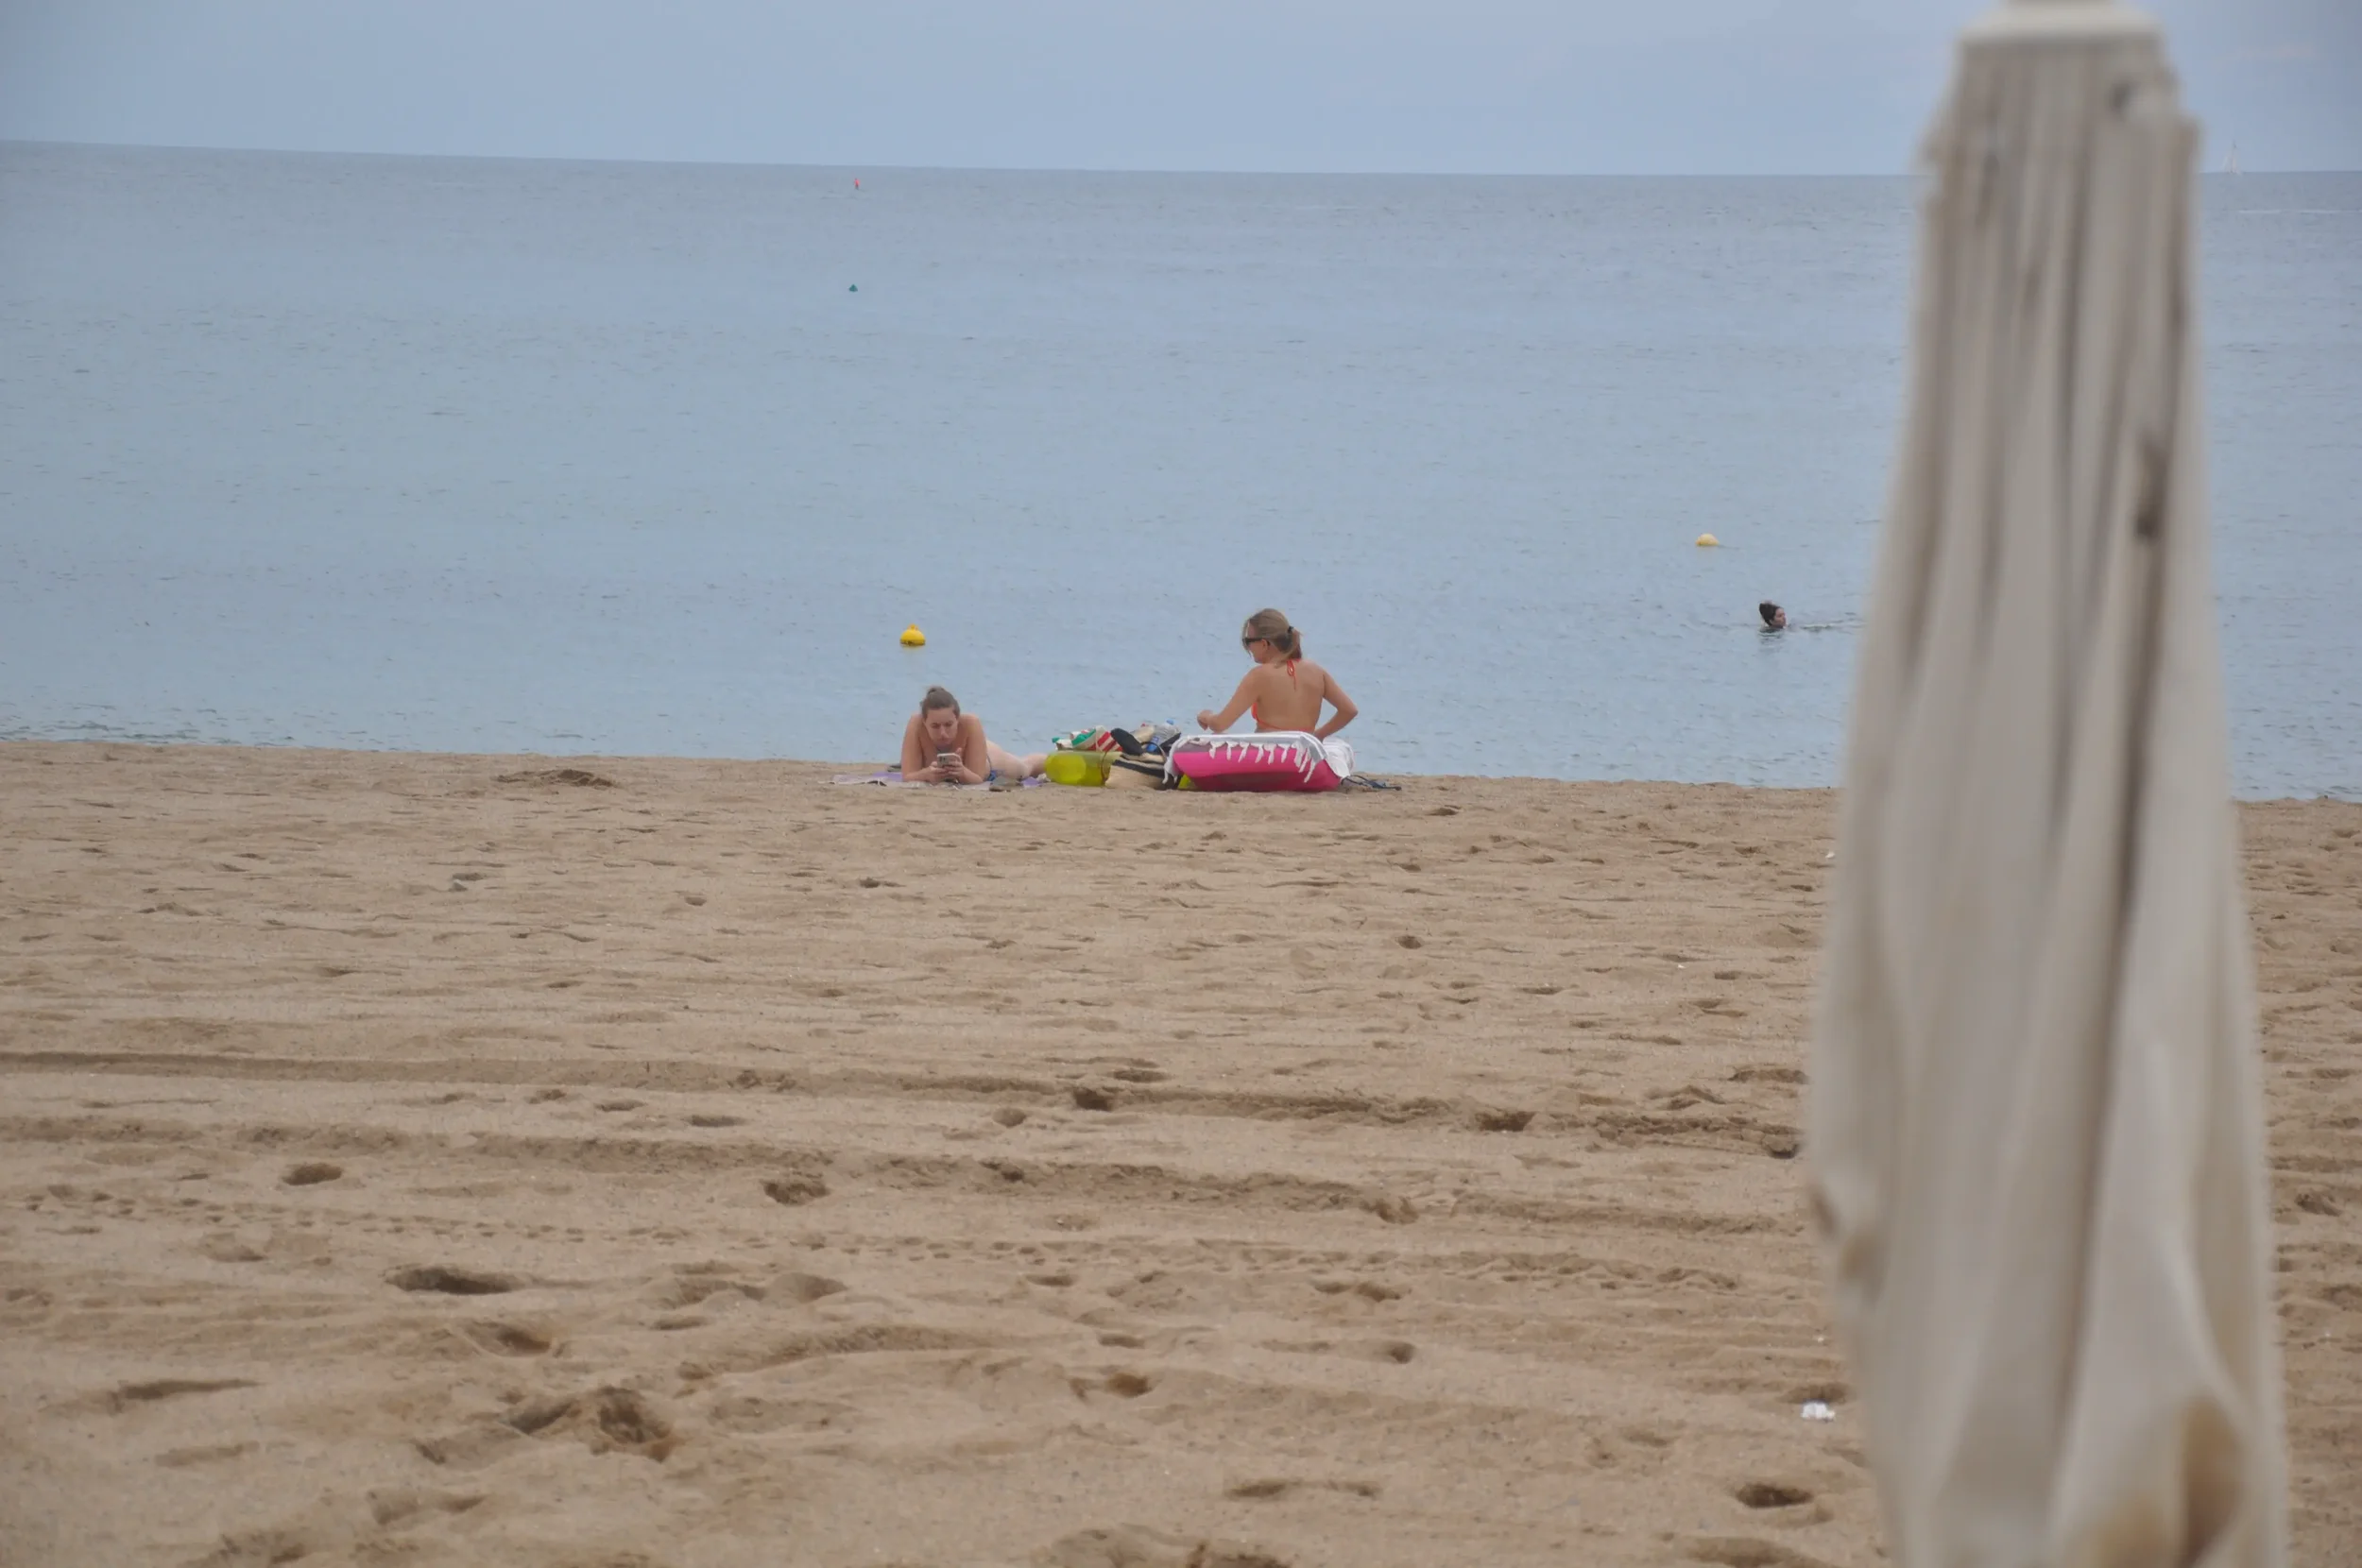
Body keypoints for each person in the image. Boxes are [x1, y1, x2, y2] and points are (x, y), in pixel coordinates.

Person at [1195, 608, 1358, 739]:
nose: (1247, 648)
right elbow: (1349, 710)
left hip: (1270, 757)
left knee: (1213, 738)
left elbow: (1221, 724)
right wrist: (1318, 736)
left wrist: (1207, 716)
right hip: (1304, 756)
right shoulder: (1317, 671)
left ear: (1264, 644)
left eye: (1248, 641)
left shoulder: (1259, 675)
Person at [899, 687, 1043, 783]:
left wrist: (962, 772)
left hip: (989, 759)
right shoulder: (916, 724)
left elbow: (978, 778)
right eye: (935, 726)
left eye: (948, 725)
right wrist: (926, 774)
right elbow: (907, 776)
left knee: (1025, 767)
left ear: (957, 719)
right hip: (975, 750)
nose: (942, 733)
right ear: (925, 722)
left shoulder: (970, 723)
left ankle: (1055, 755)